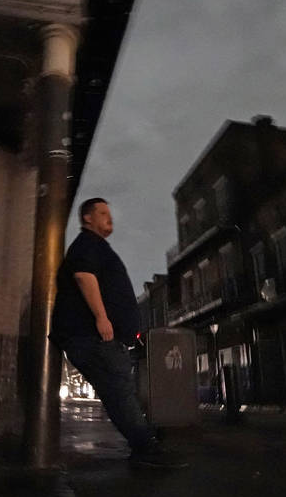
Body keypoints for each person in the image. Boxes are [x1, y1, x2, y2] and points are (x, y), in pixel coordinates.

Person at [50, 198, 188, 468]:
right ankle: (146, 450)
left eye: (109, 213)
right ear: (87, 218)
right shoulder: (88, 244)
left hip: (97, 337)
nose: (108, 217)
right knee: (121, 392)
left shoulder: (96, 246)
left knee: (120, 392)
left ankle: (144, 446)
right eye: (102, 213)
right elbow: (84, 276)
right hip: (93, 336)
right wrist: (102, 317)